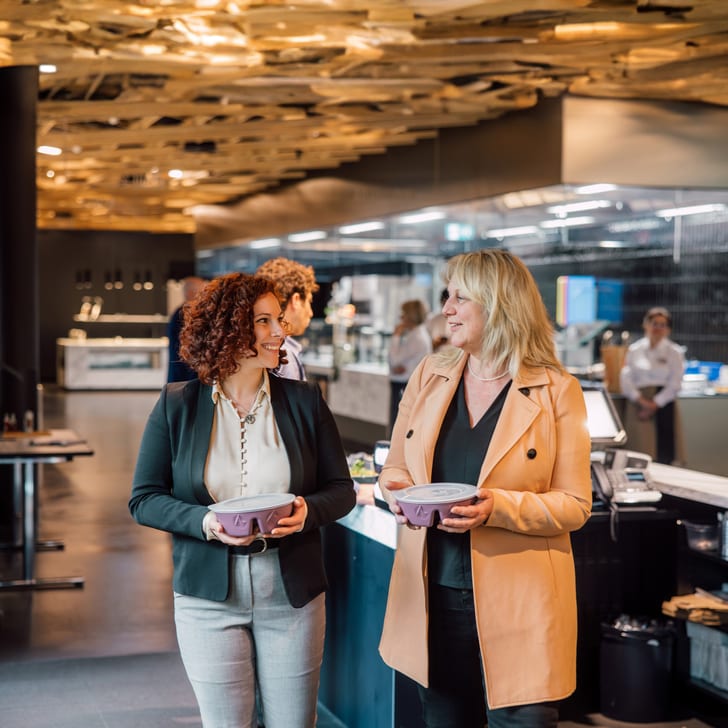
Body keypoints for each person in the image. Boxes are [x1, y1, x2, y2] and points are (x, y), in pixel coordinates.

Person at [129, 272, 355, 728]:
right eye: (265, 322)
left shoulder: (306, 401)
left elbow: (341, 490)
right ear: (230, 330)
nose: (280, 332)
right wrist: (206, 523)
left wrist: (308, 512)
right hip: (206, 598)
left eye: (279, 320)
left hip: (292, 595)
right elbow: (144, 499)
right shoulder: (178, 404)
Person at [378, 249, 592, 728]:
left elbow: (576, 505)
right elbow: (395, 467)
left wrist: (497, 507)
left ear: (498, 304)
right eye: (446, 297)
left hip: (521, 605)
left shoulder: (558, 390)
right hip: (433, 596)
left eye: (459, 298)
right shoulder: (430, 374)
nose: (446, 309)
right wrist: (397, 494)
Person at [619, 306, 685, 464]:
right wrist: (642, 402)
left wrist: (654, 404)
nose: (658, 328)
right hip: (638, 404)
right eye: (654, 323)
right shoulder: (635, 350)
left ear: (668, 329)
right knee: (640, 451)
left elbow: (675, 383)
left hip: (663, 403)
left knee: (665, 453)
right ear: (646, 324)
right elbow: (626, 379)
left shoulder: (674, 352)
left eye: (663, 325)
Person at [256, 257, 319, 381]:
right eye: (309, 301)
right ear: (296, 300)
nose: (311, 313)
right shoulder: (284, 355)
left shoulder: (257, 347)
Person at [388, 299, 432, 435]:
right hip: (404, 382)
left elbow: (394, 360)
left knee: (399, 424)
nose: (400, 318)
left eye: (403, 314)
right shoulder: (415, 335)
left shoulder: (417, 338)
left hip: (404, 384)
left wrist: (395, 335)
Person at [167, 276, 206, 382]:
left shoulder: (182, 312)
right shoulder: (185, 314)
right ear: (190, 292)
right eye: (202, 290)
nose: (205, 295)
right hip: (184, 376)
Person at [425, 288, 452, 352]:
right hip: (438, 357)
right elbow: (426, 346)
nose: (446, 309)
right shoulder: (434, 320)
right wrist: (435, 343)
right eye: (443, 304)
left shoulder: (462, 321)